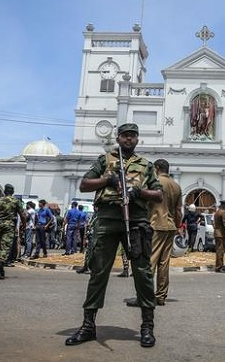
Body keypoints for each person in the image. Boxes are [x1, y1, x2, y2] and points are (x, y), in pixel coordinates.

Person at [66, 123, 163, 348]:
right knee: (98, 272)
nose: (129, 139)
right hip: (108, 219)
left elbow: (158, 194)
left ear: (137, 139)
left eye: (133, 136)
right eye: (125, 136)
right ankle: (88, 326)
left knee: (142, 273)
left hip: (137, 221)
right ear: (118, 139)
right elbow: (84, 184)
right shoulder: (105, 160)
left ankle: (147, 327)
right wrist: (107, 180)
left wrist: (138, 191)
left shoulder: (146, 165)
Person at [127, 158, 181, 306]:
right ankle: (161, 296)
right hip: (170, 226)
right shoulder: (176, 186)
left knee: (149, 261)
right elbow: (178, 210)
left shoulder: (154, 184)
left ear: (157, 168)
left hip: (156, 224)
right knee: (164, 263)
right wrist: (177, 226)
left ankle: (144, 296)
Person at [0, 183, 26, 280]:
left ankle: (0, 269)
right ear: (12, 192)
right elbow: (23, 215)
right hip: (9, 226)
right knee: (5, 248)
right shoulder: (15, 201)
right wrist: (23, 226)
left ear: (4, 191)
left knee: (0, 246)